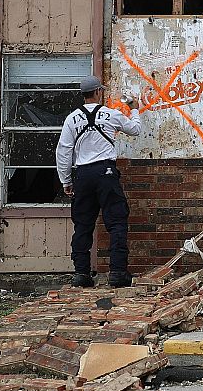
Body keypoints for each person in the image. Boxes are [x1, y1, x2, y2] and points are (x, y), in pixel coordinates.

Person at [55, 76, 142, 288]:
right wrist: (135, 108)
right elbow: (135, 130)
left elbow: (63, 151)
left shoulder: (72, 119)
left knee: (83, 224)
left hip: (83, 175)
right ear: (98, 92)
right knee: (117, 223)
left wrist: (66, 180)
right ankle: (118, 273)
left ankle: (82, 273)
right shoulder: (111, 114)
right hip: (106, 173)